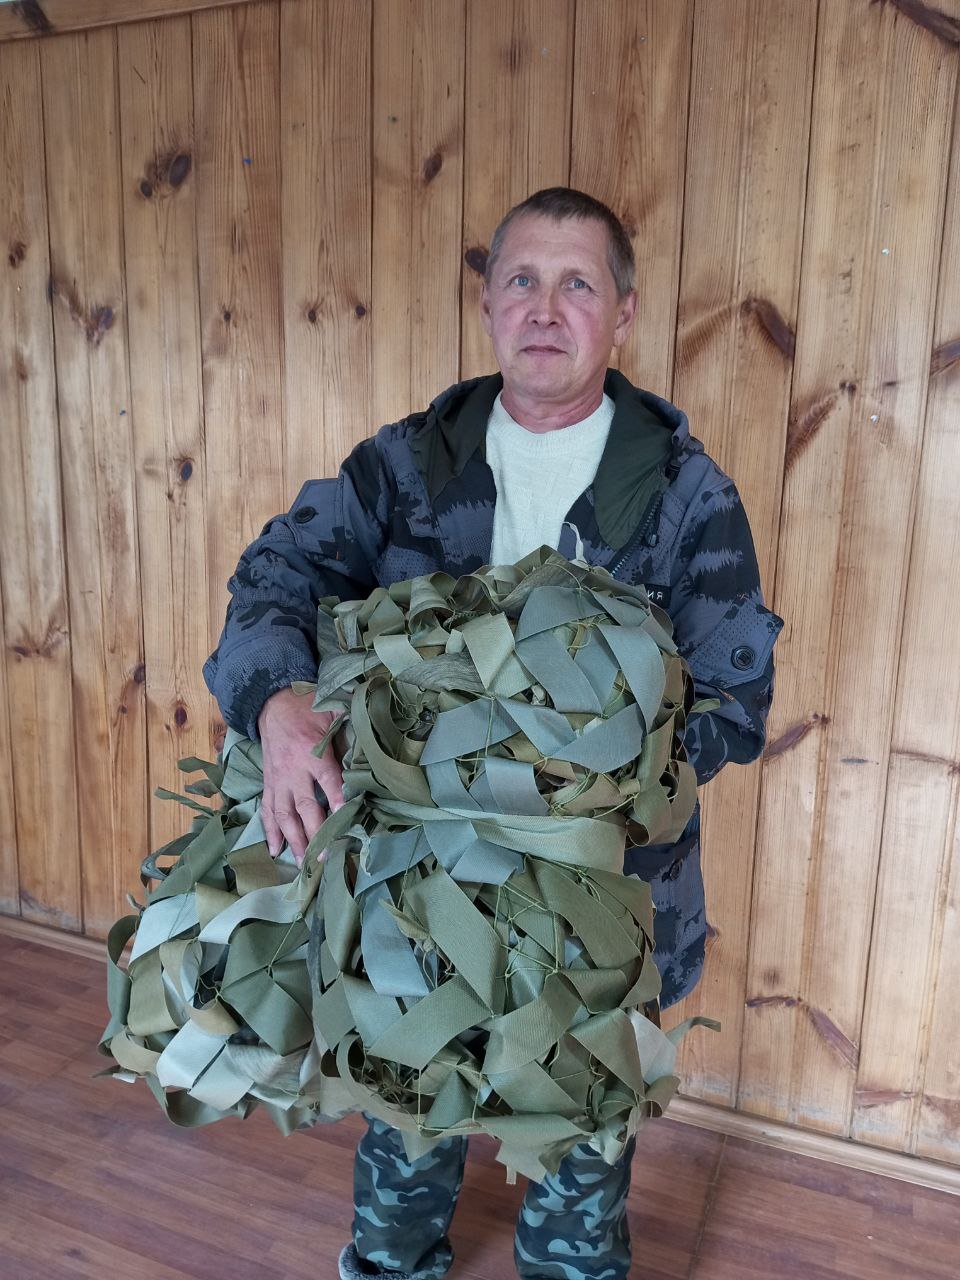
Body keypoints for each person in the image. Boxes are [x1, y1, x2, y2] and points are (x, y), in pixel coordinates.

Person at [204, 188, 783, 1280]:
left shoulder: (684, 495)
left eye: (578, 284)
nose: (545, 308)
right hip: (414, 902)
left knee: (579, 1172)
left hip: (596, 910)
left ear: (623, 312)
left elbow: (733, 702)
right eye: (522, 279)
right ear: (486, 304)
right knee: (405, 1126)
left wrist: (570, 776)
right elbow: (275, 576)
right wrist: (278, 704)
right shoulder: (405, 465)